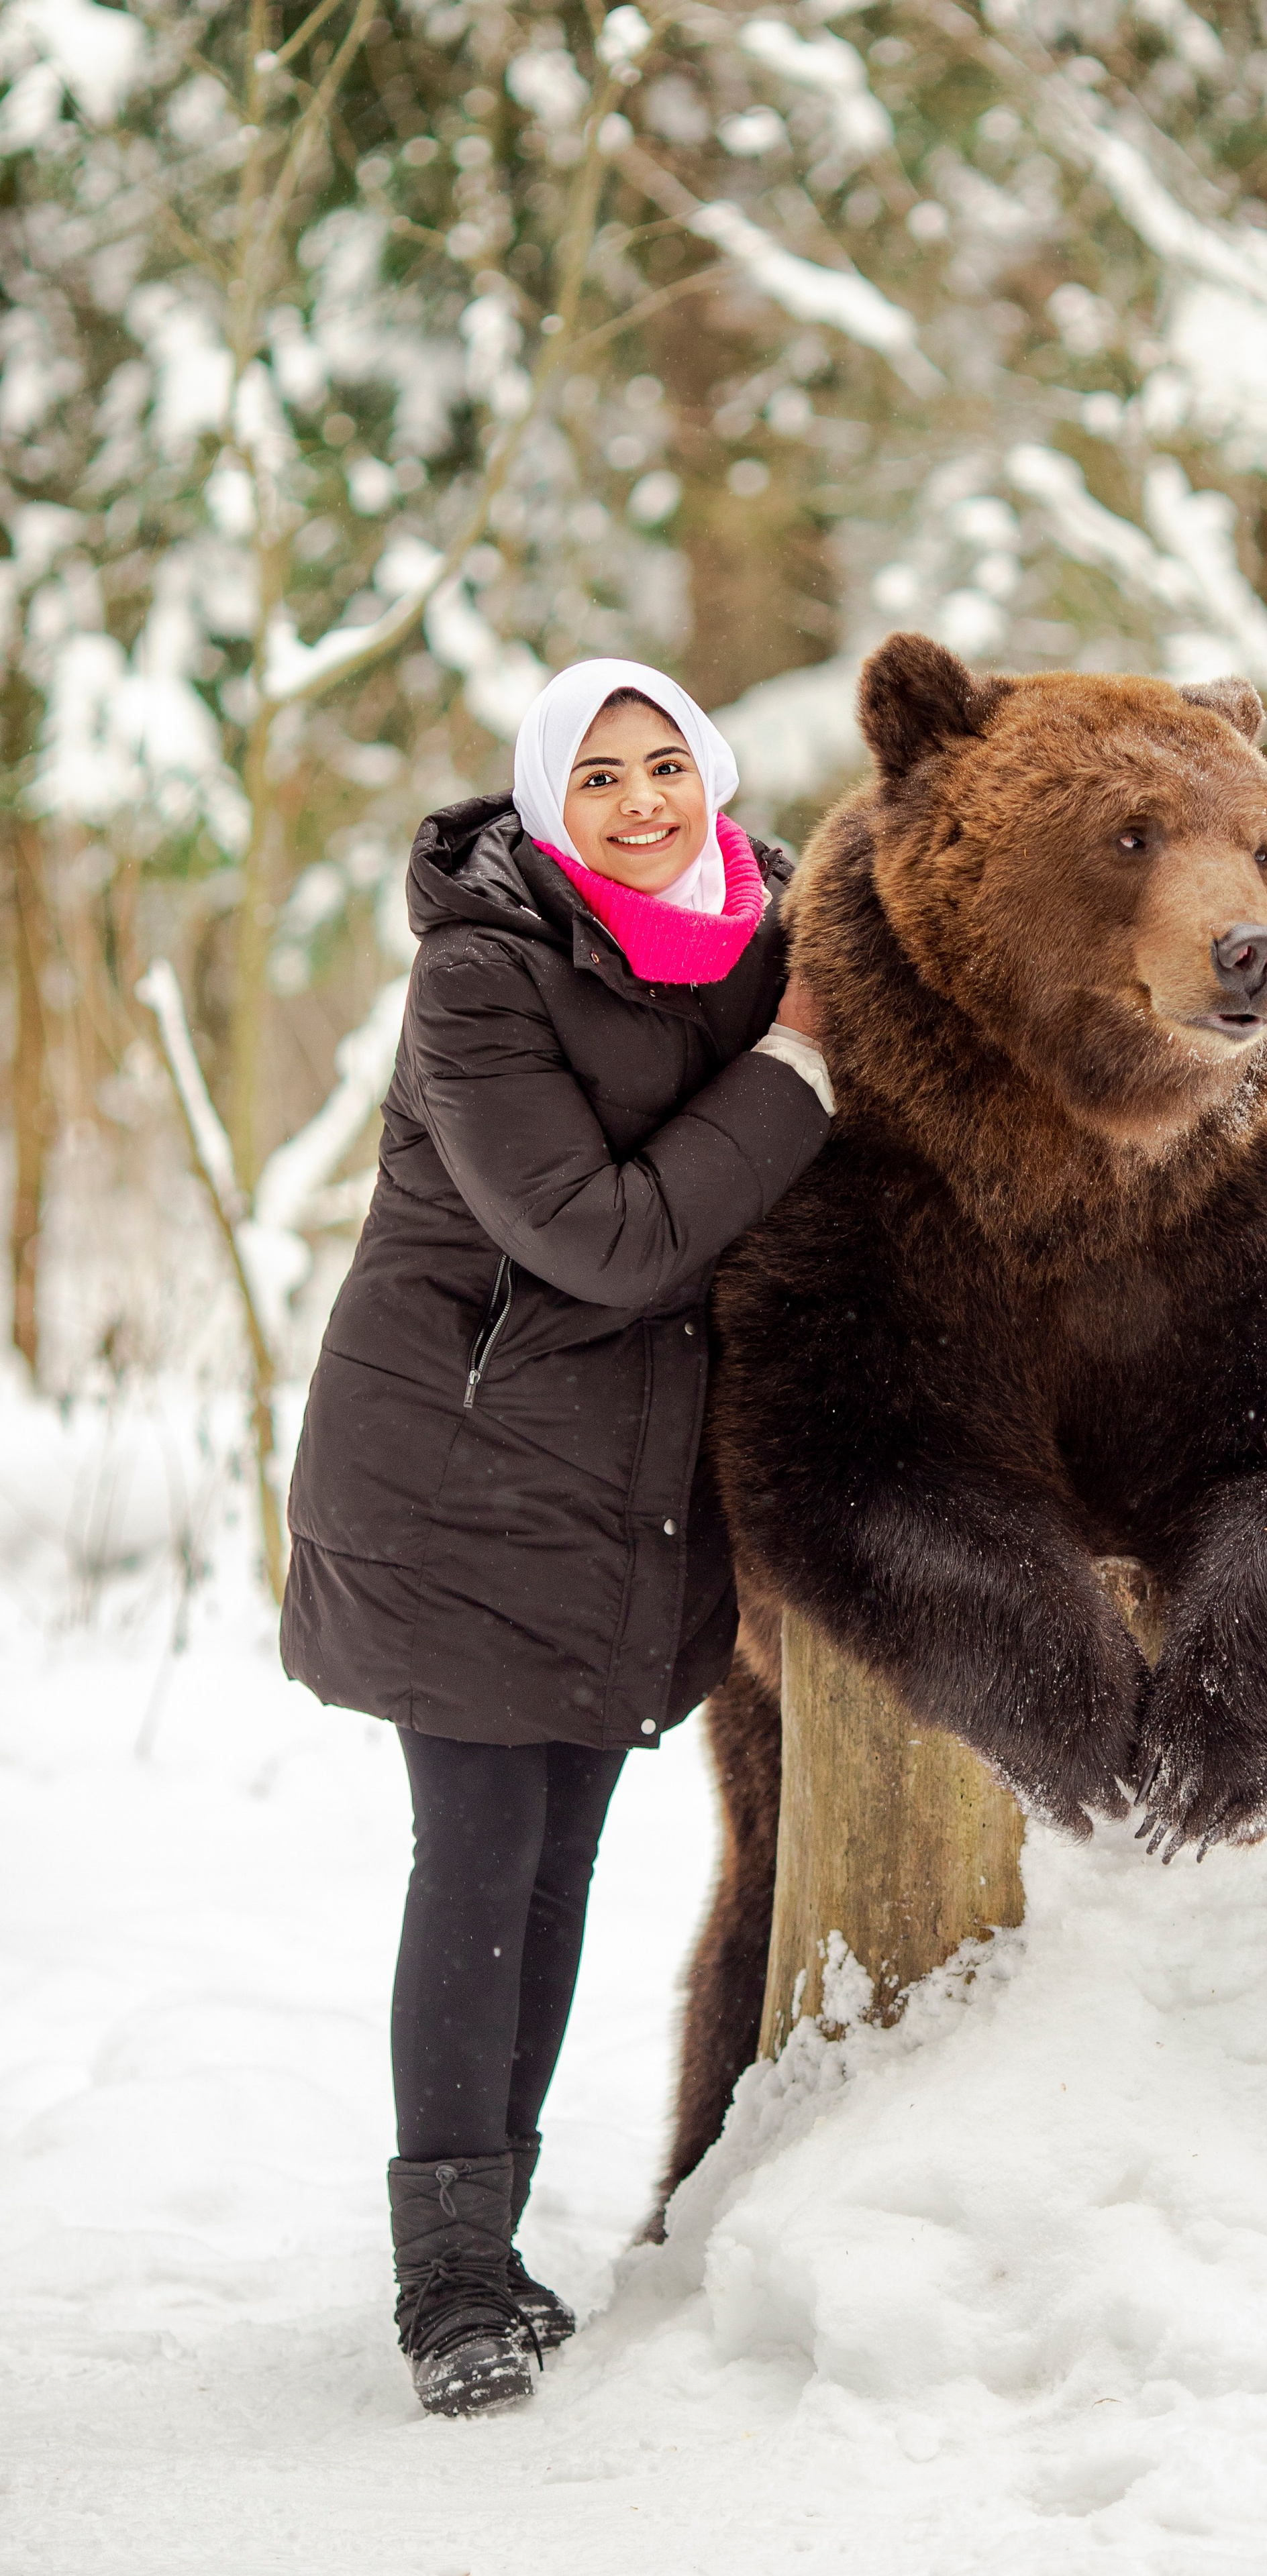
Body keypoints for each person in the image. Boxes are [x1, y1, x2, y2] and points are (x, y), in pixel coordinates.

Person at [279, 658, 831, 2418]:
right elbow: (601, 1236)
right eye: (598, 778)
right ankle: (448, 2278)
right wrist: (807, 1067)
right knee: (482, 1849)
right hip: (458, 1479)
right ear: (542, 804)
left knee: (555, 1861)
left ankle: (491, 2238)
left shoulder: (758, 945)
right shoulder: (483, 977)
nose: (643, 802)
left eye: (666, 764)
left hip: (626, 1498)